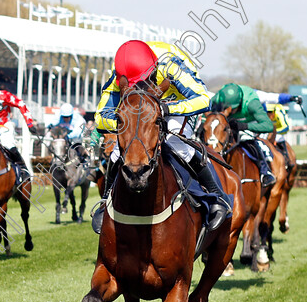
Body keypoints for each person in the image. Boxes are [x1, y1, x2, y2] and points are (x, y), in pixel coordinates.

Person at [92, 40, 229, 234]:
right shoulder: (120, 71)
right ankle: (106, 201)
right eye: (133, 84)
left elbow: (203, 99)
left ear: (153, 68)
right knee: (117, 151)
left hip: (176, 103)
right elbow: (100, 117)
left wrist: (165, 109)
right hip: (140, 111)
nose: (137, 85)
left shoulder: (171, 65)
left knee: (178, 145)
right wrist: (128, 125)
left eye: (141, 80)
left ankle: (216, 196)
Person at [208, 83, 303, 186]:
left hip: (250, 123)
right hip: (227, 123)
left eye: (232, 108)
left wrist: (243, 126)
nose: (229, 111)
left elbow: (268, 125)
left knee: (247, 138)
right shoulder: (218, 97)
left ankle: (265, 172)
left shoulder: (253, 102)